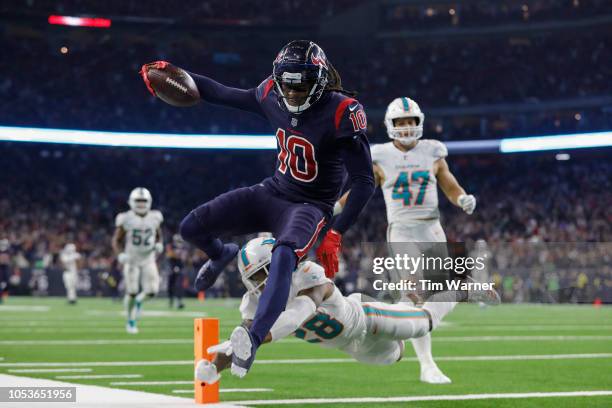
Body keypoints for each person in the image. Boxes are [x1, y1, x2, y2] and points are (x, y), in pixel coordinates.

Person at [140, 40, 375, 376]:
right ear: (277, 79)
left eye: (302, 84)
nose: (293, 93)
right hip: (273, 191)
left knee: (283, 255)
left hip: (310, 205)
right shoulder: (270, 93)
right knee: (191, 227)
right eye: (287, 84)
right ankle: (221, 254)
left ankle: (253, 336)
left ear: (321, 80)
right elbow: (220, 92)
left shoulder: (341, 111)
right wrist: (175, 73)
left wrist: (336, 232)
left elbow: (365, 180)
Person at [194, 237, 498, 384]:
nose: (272, 279)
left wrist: (254, 337)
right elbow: (243, 342)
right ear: (249, 280)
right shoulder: (252, 303)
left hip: (367, 318)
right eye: (262, 274)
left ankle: (463, 289)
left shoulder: (307, 273)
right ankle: (407, 298)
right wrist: (214, 366)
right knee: (396, 355)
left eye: (274, 269)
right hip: (351, 346)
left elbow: (298, 313)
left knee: (422, 323)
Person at [336, 97, 477, 384]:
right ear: (391, 125)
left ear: (419, 122)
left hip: (431, 228)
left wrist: (460, 197)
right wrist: (337, 207)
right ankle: (426, 364)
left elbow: (447, 180)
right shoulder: (380, 155)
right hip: (401, 230)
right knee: (415, 294)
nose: (407, 126)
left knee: (438, 294)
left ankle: (391, 326)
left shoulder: (432, 150)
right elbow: (362, 189)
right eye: (401, 122)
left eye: (411, 121)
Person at [112, 187, 164, 334]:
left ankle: (139, 303)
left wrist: (160, 243)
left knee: (152, 291)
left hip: (148, 258)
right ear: (131, 202)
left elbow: (158, 234)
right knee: (132, 291)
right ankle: (130, 320)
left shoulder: (155, 217)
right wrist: (120, 254)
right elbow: (116, 240)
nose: (141, 204)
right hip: (132, 259)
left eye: (144, 201)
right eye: (138, 201)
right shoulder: (126, 218)